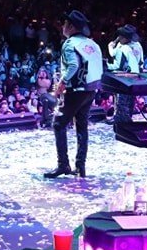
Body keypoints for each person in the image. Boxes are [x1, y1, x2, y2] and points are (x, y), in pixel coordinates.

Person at [43, 10, 103, 179]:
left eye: (64, 23)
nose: (62, 26)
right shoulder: (93, 45)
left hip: (75, 91)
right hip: (90, 90)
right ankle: (80, 166)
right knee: (82, 127)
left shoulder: (70, 44)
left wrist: (61, 83)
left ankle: (63, 165)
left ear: (70, 26)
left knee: (58, 124)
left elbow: (73, 66)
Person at [108, 24, 143, 123]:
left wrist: (110, 47)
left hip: (124, 76)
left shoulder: (123, 47)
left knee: (121, 100)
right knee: (130, 99)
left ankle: (120, 119)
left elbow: (114, 56)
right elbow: (141, 61)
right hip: (135, 76)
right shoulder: (138, 45)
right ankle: (128, 117)